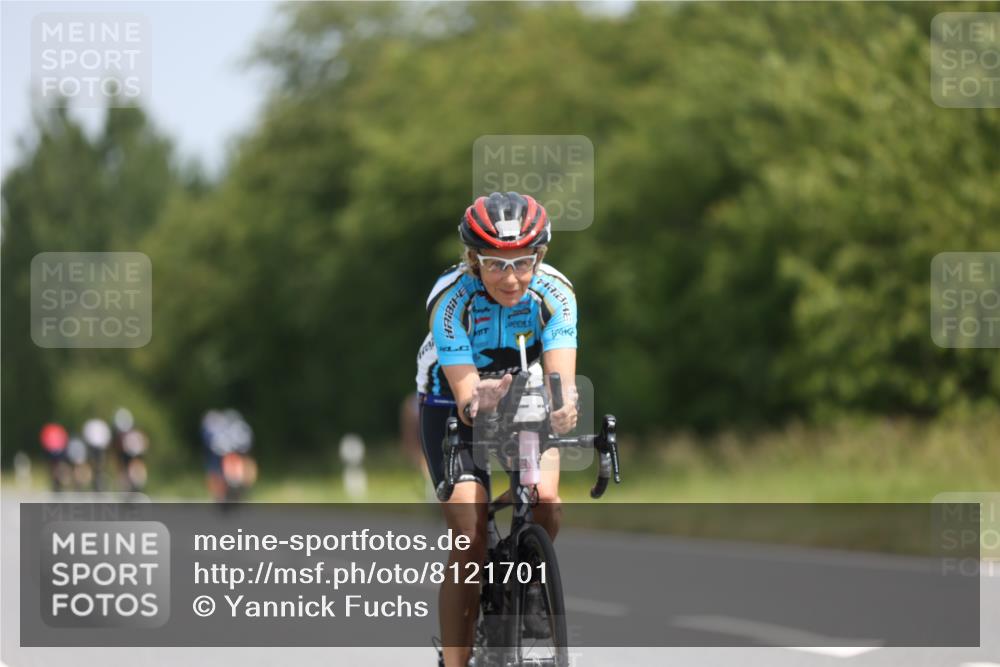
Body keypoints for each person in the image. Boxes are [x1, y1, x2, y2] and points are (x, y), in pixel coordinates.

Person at [415, 191, 579, 667]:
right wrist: (477, 400)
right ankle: (456, 660)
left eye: (523, 263)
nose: (511, 278)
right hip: (450, 396)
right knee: (470, 531)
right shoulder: (450, 300)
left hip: (524, 388)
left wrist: (563, 407)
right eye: (495, 265)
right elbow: (467, 399)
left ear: (539, 257)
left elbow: (560, 379)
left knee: (545, 500)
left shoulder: (557, 294)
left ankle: (530, 595)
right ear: (473, 260)